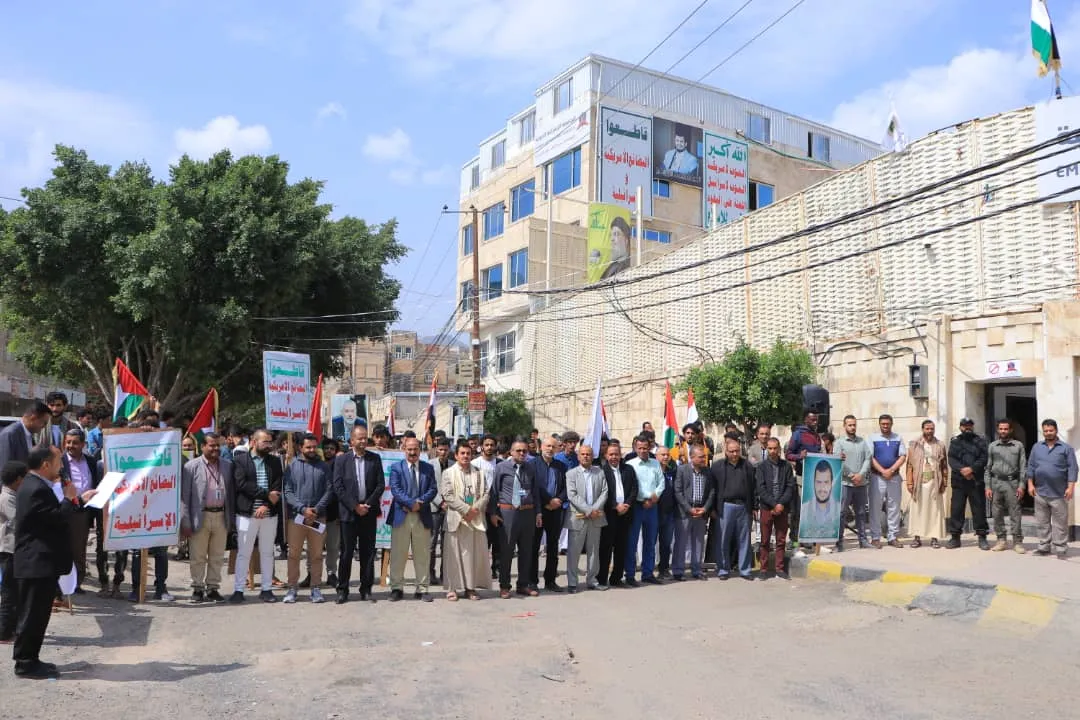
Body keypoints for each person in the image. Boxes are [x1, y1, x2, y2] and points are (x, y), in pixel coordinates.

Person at [13, 445, 96, 679]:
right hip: (35, 562)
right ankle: (25, 663)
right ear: (46, 465)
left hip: (42, 562)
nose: (62, 467)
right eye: (59, 462)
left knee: (39, 614)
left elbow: (51, 515)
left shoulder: (38, 486)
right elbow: (55, 518)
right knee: (32, 615)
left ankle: (32, 658)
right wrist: (70, 499)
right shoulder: (34, 488)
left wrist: (78, 499)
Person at [230, 429, 284, 603]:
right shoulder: (240, 461)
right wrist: (265, 495)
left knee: (267, 552)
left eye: (270, 442)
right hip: (246, 514)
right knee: (243, 553)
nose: (268, 445)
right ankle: (239, 590)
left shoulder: (275, 462)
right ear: (253, 442)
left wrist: (266, 504)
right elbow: (242, 484)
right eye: (265, 442)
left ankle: (266, 588)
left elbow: (277, 487)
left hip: (269, 514)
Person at [332, 424, 384, 603]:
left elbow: (380, 485)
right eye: (359, 438)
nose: (363, 441)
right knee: (346, 553)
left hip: (368, 513)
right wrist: (355, 506)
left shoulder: (374, 459)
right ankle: (343, 590)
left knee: (368, 553)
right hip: (349, 513)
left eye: (365, 438)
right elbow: (338, 487)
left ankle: (366, 589)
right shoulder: (342, 460)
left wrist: (367, 504)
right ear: (351, 440)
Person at [180, 432, 233, 603]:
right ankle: (197, 588)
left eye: (218, 445)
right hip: (199, 517)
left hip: (220, 516)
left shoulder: (227, 466)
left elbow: (231, 494)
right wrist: (185, 521)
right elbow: (184, 497)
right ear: (202, 447)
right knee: (198, 556)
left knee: (217, 556)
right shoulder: (191, 467)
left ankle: (213, 588)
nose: (215, 448)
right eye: (212, 445)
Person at [488, 438, 541, 599]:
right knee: (507, 551)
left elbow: (535, 492)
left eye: (524, 451)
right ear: (511, 452)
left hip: (527, 514)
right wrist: (493, 513)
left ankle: (523, 584)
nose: (522, 453)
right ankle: (504, 586)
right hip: (507, 514)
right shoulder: (501, 467)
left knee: (526, 551)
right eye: (518, 450)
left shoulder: (531, 468)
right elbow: (494, 492)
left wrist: (538, 513)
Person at [282, 434, 332, 604]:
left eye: (313, 447)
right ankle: (292, 588)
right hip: (297, 518)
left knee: (317, 554)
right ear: (300, 448)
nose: (311, 450)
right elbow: (287, 492)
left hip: (318, 517)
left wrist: (316, 509)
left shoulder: (324, 467)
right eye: (308, 447)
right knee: (294, 554)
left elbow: (329, 490)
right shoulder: (292, 466)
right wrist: (303, 509)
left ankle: (315, 588)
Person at [387, 437, 437, 603]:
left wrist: (419, 504)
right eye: (409, 449)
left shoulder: (428, 468)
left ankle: (422, 589)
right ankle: (396, 588)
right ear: (404, 449)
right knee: (398, 554)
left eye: (415, 449)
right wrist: (410, 503)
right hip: (401, 515)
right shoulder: (396, 468)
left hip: (421, 516)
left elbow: (432, 489)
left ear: (419, 449)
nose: (413, 452)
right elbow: (395, 489)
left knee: (422, 554)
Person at [440, 441, 490, 601]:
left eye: (468, 453)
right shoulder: (448, 472)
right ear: (456, 455)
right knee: (453, 555)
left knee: (472, 556)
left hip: (474, 519)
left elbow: (487, 493)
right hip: (457, 519)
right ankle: (452, 588)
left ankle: (470, 588)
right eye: (462, 453)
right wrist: (465, 509)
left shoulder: (479, 473)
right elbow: (447, 495)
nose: (466, 456)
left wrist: (475, 509)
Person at [1026, 419, 1077, 558]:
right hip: (1040, 492)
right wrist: (1030, 484)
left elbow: (1073, 469)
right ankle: (1044, 547)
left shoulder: (1066, 448)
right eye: (1046, 431)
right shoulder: (1037, 447)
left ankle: (1060, 548)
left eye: (1051, 430)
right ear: (1043, 431)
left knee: (1060, 523)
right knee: (1042, 522)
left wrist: (1070, 487)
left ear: (1056, 430)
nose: (1048, 433)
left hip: (1059, 492)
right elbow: (1030, 466)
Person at [565, 444, 608, 593]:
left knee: (594, 551)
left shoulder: (599, 472)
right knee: (574, 552)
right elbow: (572, 495)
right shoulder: (571, 474)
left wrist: (595, 510)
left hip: (596, 518)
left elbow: (604, 492)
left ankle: (592, 580)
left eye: (588, 454)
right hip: (577, 517)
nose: (585, 456)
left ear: (593, 456)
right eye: (582, 454)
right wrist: (589, 510)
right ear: (578, 456)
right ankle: (572, 582)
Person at [301, 438, 342, 589]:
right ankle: (311, 574)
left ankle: (332, 574)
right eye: (326, 448)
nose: (329, 451)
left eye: (332, 448)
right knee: (312, 547)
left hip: (333, 515)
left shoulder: (340, 466)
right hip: (315, 514)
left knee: (332, 547)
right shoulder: (316, 465)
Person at [60, 428, 98, 593]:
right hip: (63, 509)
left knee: (79, 549)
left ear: (83, 444)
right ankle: (61, 585)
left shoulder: (91, 461)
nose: (71, 446)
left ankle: (77, 583)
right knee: (63, 547)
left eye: (75, 443)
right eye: (68, 442)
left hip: (83, 511)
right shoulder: (60, 461)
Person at [713, 438, 756, 580]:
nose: (735, 454)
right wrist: (713, 508)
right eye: (731, 451)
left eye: (737, 450)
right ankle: (723, 569)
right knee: (723, 539)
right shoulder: (718, 466)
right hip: (725, 506)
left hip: (743, 506)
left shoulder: (747, 466)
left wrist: (754, 506)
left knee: (744, 539)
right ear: (726, 451)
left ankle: (745, 570)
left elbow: (753, 488)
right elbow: (713, 489)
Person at [598, 441, 637, 589]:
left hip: (626, 513)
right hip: (609, 514)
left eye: (617, 454)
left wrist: (627, 504)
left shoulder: (629, 469)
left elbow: (634, 489)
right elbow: (603, 493)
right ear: (606, 455)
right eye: (611, 454)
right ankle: (602, 578)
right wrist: (615, 505)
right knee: (606, 548)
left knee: (622, 548)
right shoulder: (601, 471)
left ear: (621, 455)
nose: (614, 457)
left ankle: (617, 578)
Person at [529, 437, 567, 593]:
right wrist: (547, 501)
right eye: (548, 446)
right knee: (534, 546)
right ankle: (532, 581)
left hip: (556, 510)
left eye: (554, 446)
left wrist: (558, 499)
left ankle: (550, 580)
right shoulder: (532, 465)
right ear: (541, 447)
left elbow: (566, 487)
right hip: (539, 510)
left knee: (553, 546)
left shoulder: (561, 466)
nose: (550, 449)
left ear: (558, 449)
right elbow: (533, 487)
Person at [626, 434, 664, 585]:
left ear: (650, 448)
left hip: (652, 506)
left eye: (645, 448)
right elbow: (631, 486)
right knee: (632, 541)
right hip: (636, 505)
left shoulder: (655, 464)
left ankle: (648, 573)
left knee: (650, 541)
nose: (642, 451)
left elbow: (661, 483)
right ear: (635, 448)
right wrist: (643, 498)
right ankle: (629, 574)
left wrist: (655, 496)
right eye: (640, 448)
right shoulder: (630, 464)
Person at [946, 418, 990, 551]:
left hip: (975, 480)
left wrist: (971, 469)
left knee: (979, 509)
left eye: (970, 425)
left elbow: (984, 458)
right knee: (956, 509)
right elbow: (951, 458)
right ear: (960, 427)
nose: (967, 428)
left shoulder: (980, 441)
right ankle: (955, 537)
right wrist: (962, 470)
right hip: (959, 481)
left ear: (973, 426)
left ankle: (982, 537)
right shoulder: (955, 441)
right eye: (965, 426)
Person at [672, 445, 714, 581]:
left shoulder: (708, 471)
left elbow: (712, 491)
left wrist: (705, 508)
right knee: (681, 543)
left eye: (704, 456)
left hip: (701, 512)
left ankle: (696, 569)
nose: (703, 459)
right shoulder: (682, 470)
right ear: (692, 457)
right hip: (685, 512)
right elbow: (678, 491)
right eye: (701, 457)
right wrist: (689, 508)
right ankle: (678, 571)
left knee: (698, 542)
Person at [985, 419, 1027, 553]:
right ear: (998, 430)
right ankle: (1001, 540)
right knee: (997, 513)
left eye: (1005, 429)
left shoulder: (1018, 446)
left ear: (1010, 430)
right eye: (1001, 429)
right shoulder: (992, 446)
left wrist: (1021, 485)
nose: (1003, 431)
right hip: (996, 483)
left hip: (1012, 483)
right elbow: (988, 467)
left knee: (1015, 513)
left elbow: (1023, 467)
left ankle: (1017, 542)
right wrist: (987, 486)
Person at [906, 420, 948, 549]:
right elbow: (909, 465)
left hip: (934, 483)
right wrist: (909, 483)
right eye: (927, 429)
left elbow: (944, 466)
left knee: (935, 512)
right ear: (922, 429)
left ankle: (934, 538)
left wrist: (944, 483)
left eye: (932, 429)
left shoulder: (940, 445)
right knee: (917, 511)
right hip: (919, 483)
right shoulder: (915, 445)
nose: (930, 431)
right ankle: (917, 538)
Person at [755, 438, 794, 577]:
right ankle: (764, 569)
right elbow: (760, 488)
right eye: (770, 448)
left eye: (775, 448)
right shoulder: (761, 467)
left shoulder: (786, 466)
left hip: (782, 508)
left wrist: (781, 504)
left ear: (779, 449)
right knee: (764, 540)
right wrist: (773, 504)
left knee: (781, 539)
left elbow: (790, 487)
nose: (772, 451)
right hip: (767, 507)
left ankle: (779, 568)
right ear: (766, 449)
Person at [785, 411, 822, 552]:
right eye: (812, 419)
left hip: (815, 478)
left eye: (816, 420)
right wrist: (799, 456)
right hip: (802, 477)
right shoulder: (798, 434)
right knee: (800, 510)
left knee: (812, 511)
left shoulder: (817, 436)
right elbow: (788, 454)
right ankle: (794, 541)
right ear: (806, 420)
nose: (815, 422)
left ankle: (807, 539)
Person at [869, 414, 906, 549]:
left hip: (894, 477)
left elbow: (902, 456)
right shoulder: (873, 438)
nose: (885, 426)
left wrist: (891, 470)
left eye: (888, 424)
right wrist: (883, 471)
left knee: (894, 508)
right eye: (883, 424)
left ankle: (893, 537)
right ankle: (875, 537)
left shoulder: (898, 438)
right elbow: (871, 457)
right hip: (877, 477)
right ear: (879, 424)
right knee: (875, 508)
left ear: (892, 424)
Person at [835, 415, 872, 550]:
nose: (852, 427)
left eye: (854, 425)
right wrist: (851, 476)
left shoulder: (862, 442)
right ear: (844, 426)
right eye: (850, 425)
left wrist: (860, 475)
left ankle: (863, 541)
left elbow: (868, 459)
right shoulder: (839, 443)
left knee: (861, 512)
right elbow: (838, 461)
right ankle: (839, 542)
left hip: (861, 484)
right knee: (841, 513)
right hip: (846, 483)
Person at [0, 461, 26, 642]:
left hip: (14, 550)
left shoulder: (13, 495)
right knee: (9, 592)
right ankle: (3, 631)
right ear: (17, 480)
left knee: (15, 591)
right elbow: (17, 521)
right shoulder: (6, 498)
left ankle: (13, 628)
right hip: (8, 550)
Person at [473, 434, 501, 580]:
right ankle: (480, 570)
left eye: (492, 445)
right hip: (480, 507)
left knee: (498, 540)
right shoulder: (474, 463)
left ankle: (496, 568)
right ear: (481, 446)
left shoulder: (501, 464)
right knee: (483, 541)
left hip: (498, 507)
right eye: (487, 445)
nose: (489, 447)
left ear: (496, 446)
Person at [429, 437, 452, 585]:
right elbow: (428, 487)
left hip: (450, 509)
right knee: (431, 544)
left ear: (449, 450)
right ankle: (430, 574)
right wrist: (440, 502)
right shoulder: (429, 465)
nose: (443, 452)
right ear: (436, 450)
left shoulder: (454, 465)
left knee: (447, 544)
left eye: (445, 449)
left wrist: (449, 503)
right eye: (440, 449)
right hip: (433, 508)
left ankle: (446, 574)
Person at [799, 459, 840, 543]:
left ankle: (820, 545)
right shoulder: (804, 510)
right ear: (813, 483)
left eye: (826, 482)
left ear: (832, 483)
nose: (822, 488)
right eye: (818, 482)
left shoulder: (838, 510)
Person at [0, 402, 49, 469]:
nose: (44, 427)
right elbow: (4, 469)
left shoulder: (30, 435)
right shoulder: (10, 434)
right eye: (44, 423)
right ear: (33, 418)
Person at [655, 446, 678, 579]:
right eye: (662, 454)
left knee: (666, 543)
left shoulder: (672, 471)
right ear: (656, 456)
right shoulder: (653, 471)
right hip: (655, 511)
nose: (665, 457)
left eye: (667, 454)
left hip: (669, 512)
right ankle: (647, 570)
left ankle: (664, 568)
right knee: (651, 542)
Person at [599, 216, 632, 280]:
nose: (612, 239)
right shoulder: (610, 267)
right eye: (611, 235)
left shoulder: (627, 268)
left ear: (626, 240)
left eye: (616, 234)